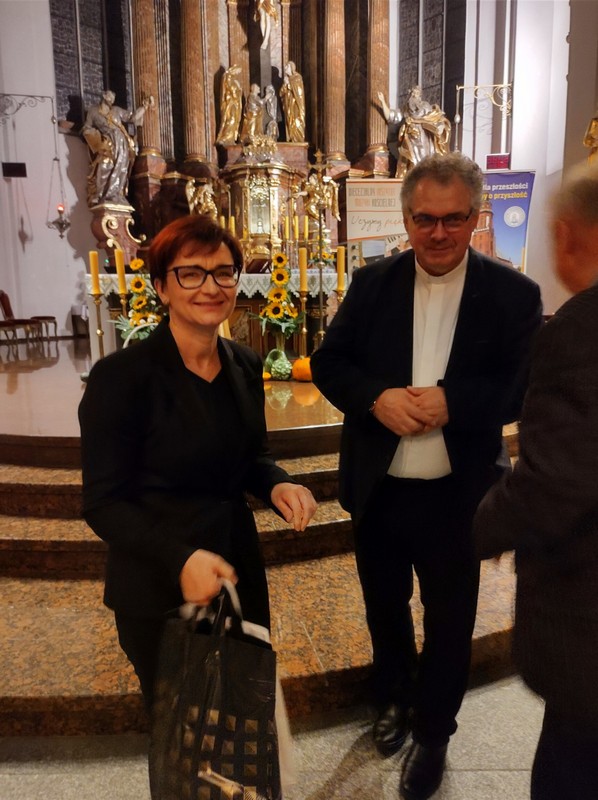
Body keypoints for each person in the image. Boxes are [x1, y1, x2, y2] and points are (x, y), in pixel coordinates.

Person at [310, 152, 542, 800]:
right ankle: (391, 698)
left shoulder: (514, 294)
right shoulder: (371, 283)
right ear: (407, 218)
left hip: (457, 495)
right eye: (424, 220)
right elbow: (328, 363)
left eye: (453, 219)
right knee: (384, 608)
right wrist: (375, 398)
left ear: (476, 216)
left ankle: (435, 732)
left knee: (449, 621)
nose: (438, 233)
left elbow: (524, 387)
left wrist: (453, 402)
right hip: (380, 488)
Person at [79, 214, 317, 712]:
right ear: (162, 287)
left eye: (223, 272)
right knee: (181, 728)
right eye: (191, 273)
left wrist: (277, 484)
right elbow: (104, 504)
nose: (210, 287)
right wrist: (181, 559)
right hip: (157, 582)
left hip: (236, 570)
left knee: (243, 713)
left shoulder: (244, 363)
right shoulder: (120, 378)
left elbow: (253, 456)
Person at [474, 162, 598, 800]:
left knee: (570, 772)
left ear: (568, 235)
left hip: (588, 623)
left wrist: (482, 526)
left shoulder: (580, 332)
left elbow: (556, 483)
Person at [82, 89, 152, 206]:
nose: (112, 100)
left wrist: (144, 107)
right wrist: (97, 141)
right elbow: (87, 127)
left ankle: (116, 194)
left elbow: (132, 118)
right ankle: (101, 194)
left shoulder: (116, 110)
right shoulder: (93, 111)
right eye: (110, 97)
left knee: (122, 167)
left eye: (113, 99)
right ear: (104, 95)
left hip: (121, 141)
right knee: (104, 165)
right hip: (107, 141)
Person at [378, 87, 451, 179]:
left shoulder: (426, 107)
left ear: (420, 96)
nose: (414, 96)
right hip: (410, 139)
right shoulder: (405, 109)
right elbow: (391, 116)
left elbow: (435, 119)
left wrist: (439, 127)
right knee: (412, 163)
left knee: (426, 164)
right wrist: (382, 101)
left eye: (416, 94)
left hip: (425, 140)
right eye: (412, 94)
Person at [216, 65, 243, 145]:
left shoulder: (234, 80)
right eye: (238, 71)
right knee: (231, 118)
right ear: (234, 70)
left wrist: (239, 89)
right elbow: (230, 89)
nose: (238, 73)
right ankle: (225, 137)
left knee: (234, 119)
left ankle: (230, 138)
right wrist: (238, 89)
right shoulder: (228, 77)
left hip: (235, 103)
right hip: (230, 102)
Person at [280, 61, 305, 143]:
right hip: (288, 105)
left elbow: (299, 92)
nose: (285, 68)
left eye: (286, 67)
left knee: (296, 120)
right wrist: (285, 84)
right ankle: (291, 138)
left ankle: (298, 139)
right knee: (289, 120)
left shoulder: (297, 77)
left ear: (291, 67)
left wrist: (288, 84)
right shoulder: (287, 79)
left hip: (296, 104)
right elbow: (281, 93)